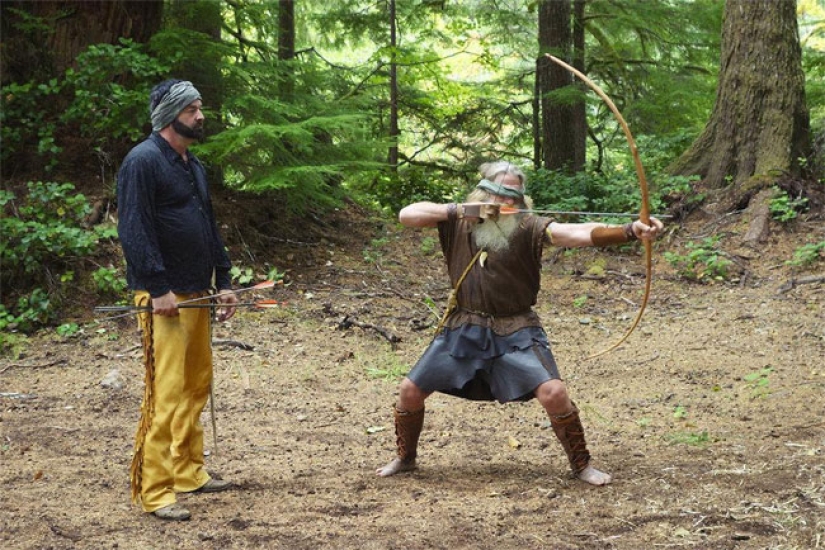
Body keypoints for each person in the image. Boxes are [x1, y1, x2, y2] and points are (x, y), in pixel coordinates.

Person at [376, 160, 664, 485]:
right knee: (410, 391)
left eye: (513, 197)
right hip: (464, 326)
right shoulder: (459, 220)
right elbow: (407, 215)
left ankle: (581, 465)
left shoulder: (528, 226)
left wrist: (629, 230)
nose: (506, 204)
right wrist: (461, 209)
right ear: (482, 193)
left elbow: (575, 233)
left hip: (516, 327)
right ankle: (406, 458)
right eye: (498, 195)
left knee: (554, 392)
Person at [117, 79, 239, 521]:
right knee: (165, 393)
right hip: (163, 297)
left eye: (200, 107)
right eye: (192, 110)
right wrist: (158, 287)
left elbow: (208, 227)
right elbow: (133, 230)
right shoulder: (142, 162)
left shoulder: (193, 165)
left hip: (197, 292)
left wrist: (223, 278)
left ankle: (188, 471)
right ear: (170, 116)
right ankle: (155, 490)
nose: (200, 116)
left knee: (195, 385)